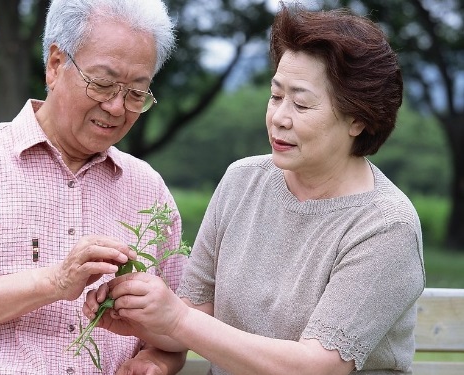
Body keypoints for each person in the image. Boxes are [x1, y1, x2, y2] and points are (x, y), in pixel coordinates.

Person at [85, 3, 425, 375]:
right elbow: (195, 315)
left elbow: (316, 368)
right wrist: (141, 317)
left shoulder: (386, 226)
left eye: (301, 103)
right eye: (276, 96)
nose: (279, 117)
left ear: (358, 119)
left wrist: (178, 319)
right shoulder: (242, 181)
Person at [0, 0, 188, 374]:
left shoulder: (148, 190)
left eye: (137, 93)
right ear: (56, 65)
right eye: (103, 84)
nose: (118, 107)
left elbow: (177, 328)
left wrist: (156, 361)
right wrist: (54, 281)